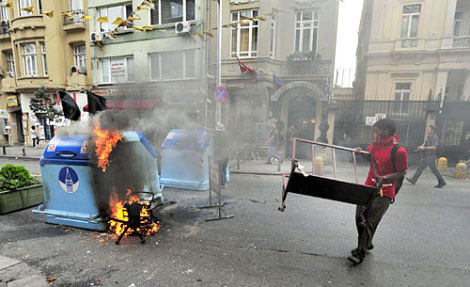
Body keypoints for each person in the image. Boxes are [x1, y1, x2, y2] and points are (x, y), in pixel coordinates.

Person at [349, 118, 408, 265]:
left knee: (370, 222)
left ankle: (359, 252)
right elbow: (371, 157)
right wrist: (360, 153)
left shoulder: (399, 151)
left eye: (376, 131)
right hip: (368, 187)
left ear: (385, 132)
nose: (374, 134)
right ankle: (366, 242)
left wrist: (385, 177)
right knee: (359, 217)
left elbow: (402, 172)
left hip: (385, 192)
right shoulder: (375, 145)